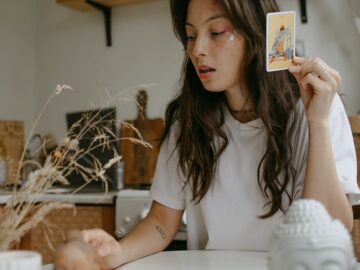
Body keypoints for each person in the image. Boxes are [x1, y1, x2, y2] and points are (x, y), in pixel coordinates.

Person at [57, 0, 359, 269]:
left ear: (257, 34)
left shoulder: (316, 107)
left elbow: (334, 226)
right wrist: (118, 251)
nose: (197, 49)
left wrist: (316, 121)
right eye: (190, 35)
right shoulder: (187, 122)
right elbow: (162, 221)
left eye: (215, 32)